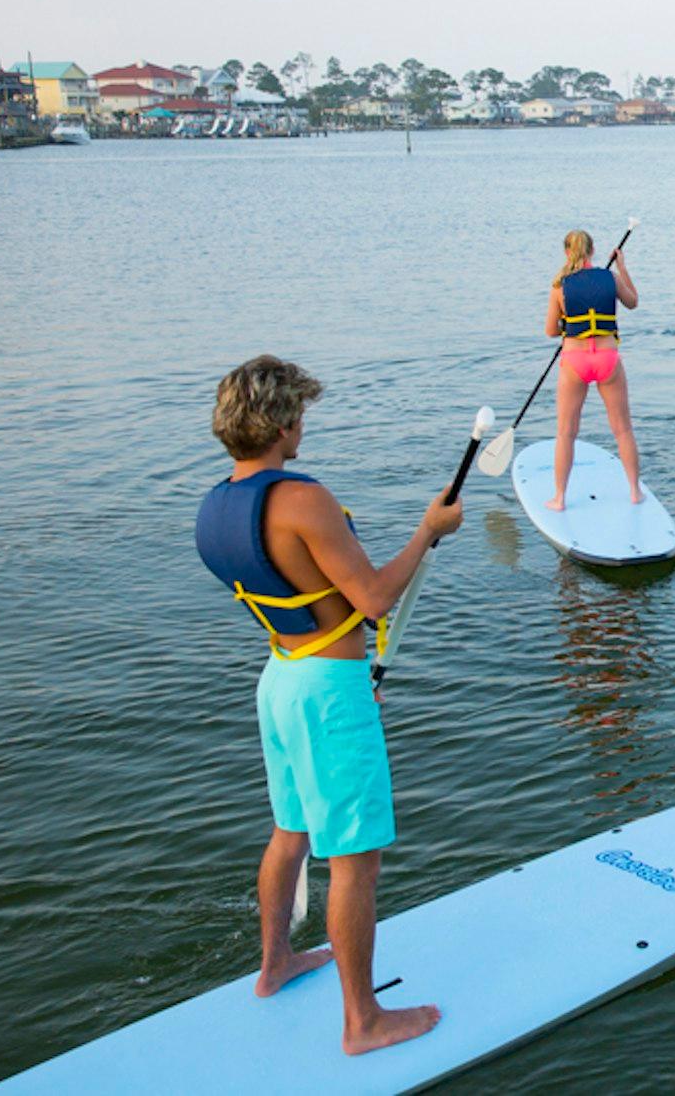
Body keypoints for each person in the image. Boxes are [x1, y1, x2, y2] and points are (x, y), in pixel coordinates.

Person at [193, 355, 462, 1055]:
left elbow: (302, 597)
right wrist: (428, 530)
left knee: (292, 833)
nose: (302, 427)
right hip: (326, 694)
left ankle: (275, 963)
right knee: (355, 858)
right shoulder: (301, 499)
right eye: (300, 415)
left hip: (280, 678)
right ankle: (362, 1020)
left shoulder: (217, 504)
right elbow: (374, 598)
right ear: (281, 423)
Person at [545, 227, 642, 508]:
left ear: (567, 252)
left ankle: (560, 498)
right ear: (592, 251)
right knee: (623, 430)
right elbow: (633, 302)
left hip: (574, 362)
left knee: (566, 432)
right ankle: (635, 491)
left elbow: (551, 330)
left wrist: (568, 324)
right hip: (608, 360)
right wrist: (622, 267)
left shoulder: (559, 286)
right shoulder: (610, 277)